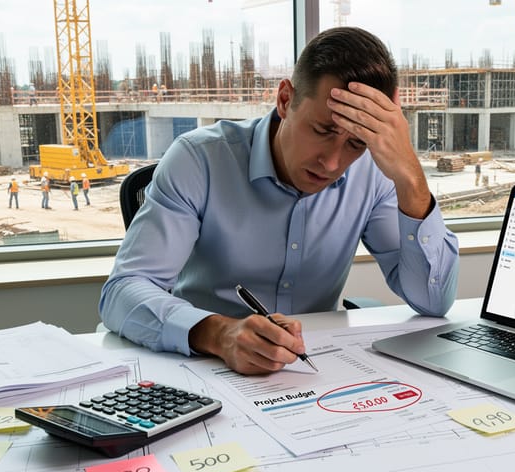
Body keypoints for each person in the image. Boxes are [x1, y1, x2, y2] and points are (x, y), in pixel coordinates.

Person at [100, 27, 459, 375]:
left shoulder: (375, 172)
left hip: (315, 368)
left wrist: (410, 177)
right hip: (207, 365)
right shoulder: (199, 160)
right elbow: (122, 291)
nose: (332, 163)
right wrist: (219, 333)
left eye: (356, 143)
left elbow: (433, 302)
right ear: (286, 100)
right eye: (322, 131)